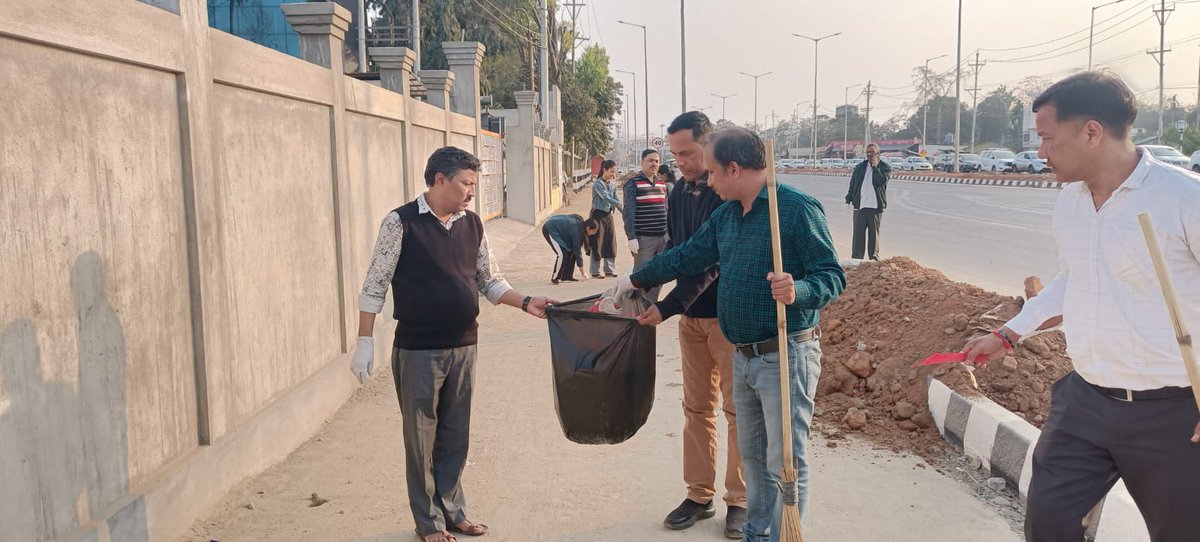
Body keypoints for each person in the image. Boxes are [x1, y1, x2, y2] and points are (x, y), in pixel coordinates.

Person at [961, 72, 1200, 542]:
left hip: (1173, 415)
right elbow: (1073, 280)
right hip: (1085, 403)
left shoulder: (1183, 197)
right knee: (1049, 524)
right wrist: (1008, 334)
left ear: (1092, 131)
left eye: (1048, 138)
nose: (1041, 152)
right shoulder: (1070, 202)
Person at [617, 128, 845, 542]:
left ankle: (783, 535)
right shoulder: (726, 214)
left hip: (786, 354)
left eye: (713, 172)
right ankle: (757, 534)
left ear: (734, 169)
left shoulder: (793, 210)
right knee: (755, 459)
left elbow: (832, 275)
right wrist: (634, 279)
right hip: (743, 355)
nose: (708, 180)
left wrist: (800, 290)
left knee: (785, 461)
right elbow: (688, 256)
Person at [350, 146, 556, 542]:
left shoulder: (473, 223)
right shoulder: (400, 223)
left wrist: (527, 302)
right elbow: (374, 285)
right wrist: (364, 342)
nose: (471, 191)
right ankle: (429, 523)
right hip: (418, 350)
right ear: (440, 180)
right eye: (466, 183)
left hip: (464, 346)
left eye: (473, 184)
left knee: (455, 434)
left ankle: (453, 510)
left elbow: (490, 281)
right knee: (421, 438)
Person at [635, 112, 747, 538]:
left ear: (708, 145)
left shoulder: (727, 193)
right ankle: (699, 494)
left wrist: (667, 307)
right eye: (673, 153)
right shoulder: (679, 191)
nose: (676, 161)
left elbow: (710, 262)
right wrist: (644, 291)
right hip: (692, 319)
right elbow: (678, 252)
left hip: (727, 318)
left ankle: (740, 500)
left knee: (737, 411)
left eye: (685, 152)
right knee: (696, 408)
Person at [623, 149, 669, 300]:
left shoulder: (662, 184)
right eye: (650, 160)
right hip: (644, 240)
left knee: (659, 275)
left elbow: (666, 210)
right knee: (640, 277)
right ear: (642, 162)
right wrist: (631, 237)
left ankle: (651, 306)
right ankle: (636, 310)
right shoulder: (633, 184)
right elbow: (628, 212)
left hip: (662, 238)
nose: (654, 164)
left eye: (656, 161)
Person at [843, 143, 890, 261]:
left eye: (872, 152)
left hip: (875, 207)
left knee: (874, 235)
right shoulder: (860, 168)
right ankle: (856, 259)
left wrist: (875, 167)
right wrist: (848, 199)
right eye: (868, 152)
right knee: (858, 235)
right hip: (860, 206)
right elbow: (853, 184)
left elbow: (881, 181)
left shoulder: (885, 168)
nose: (870, 155)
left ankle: (873, 258)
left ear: (878, 153)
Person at [542, 214, 598, 284]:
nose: (593, 234)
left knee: (571, 251)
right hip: (550, 228)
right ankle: (555, 278)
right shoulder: (577, 231)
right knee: (562, 254)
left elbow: (575, 251)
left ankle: (566, 277)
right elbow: (578, 252)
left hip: (559, 229)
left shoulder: (580, 225)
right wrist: (583, 272)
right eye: (593, 231)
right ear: (588, 228)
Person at [590, 160, 622, 278]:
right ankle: (595, 271)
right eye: (611, 171)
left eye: (614, 172)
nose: (613, 174)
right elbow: (606, 198)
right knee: (596, 243)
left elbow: (615, 198)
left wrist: (624, 213)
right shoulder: (597, 184)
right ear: (604, 170)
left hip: (608, 216)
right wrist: (619, 205)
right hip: (597, 215)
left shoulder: (612, 184)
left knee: (610, 242)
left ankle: (609, 270)